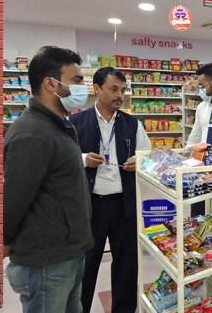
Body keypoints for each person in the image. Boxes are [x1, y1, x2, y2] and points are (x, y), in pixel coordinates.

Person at [4, 46, 93, 313]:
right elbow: (15, 197)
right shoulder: (32, 133)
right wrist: (5, 240)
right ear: (50, 84)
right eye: (76, 80)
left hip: (68, 252)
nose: (82, 88)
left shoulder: (57, 125)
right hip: (46, 261)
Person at [73, 67, 151, 313]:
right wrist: (83, 159)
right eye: (114, 89)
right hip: (90, 206)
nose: (120, 95)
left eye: (123, 90)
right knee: (85, 266)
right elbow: (61, 158)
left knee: (127, 266)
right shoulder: (75, 122)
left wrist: (140, 161)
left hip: (124, 204)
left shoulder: (132, 123)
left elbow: (148, 155)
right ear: (96, 89)